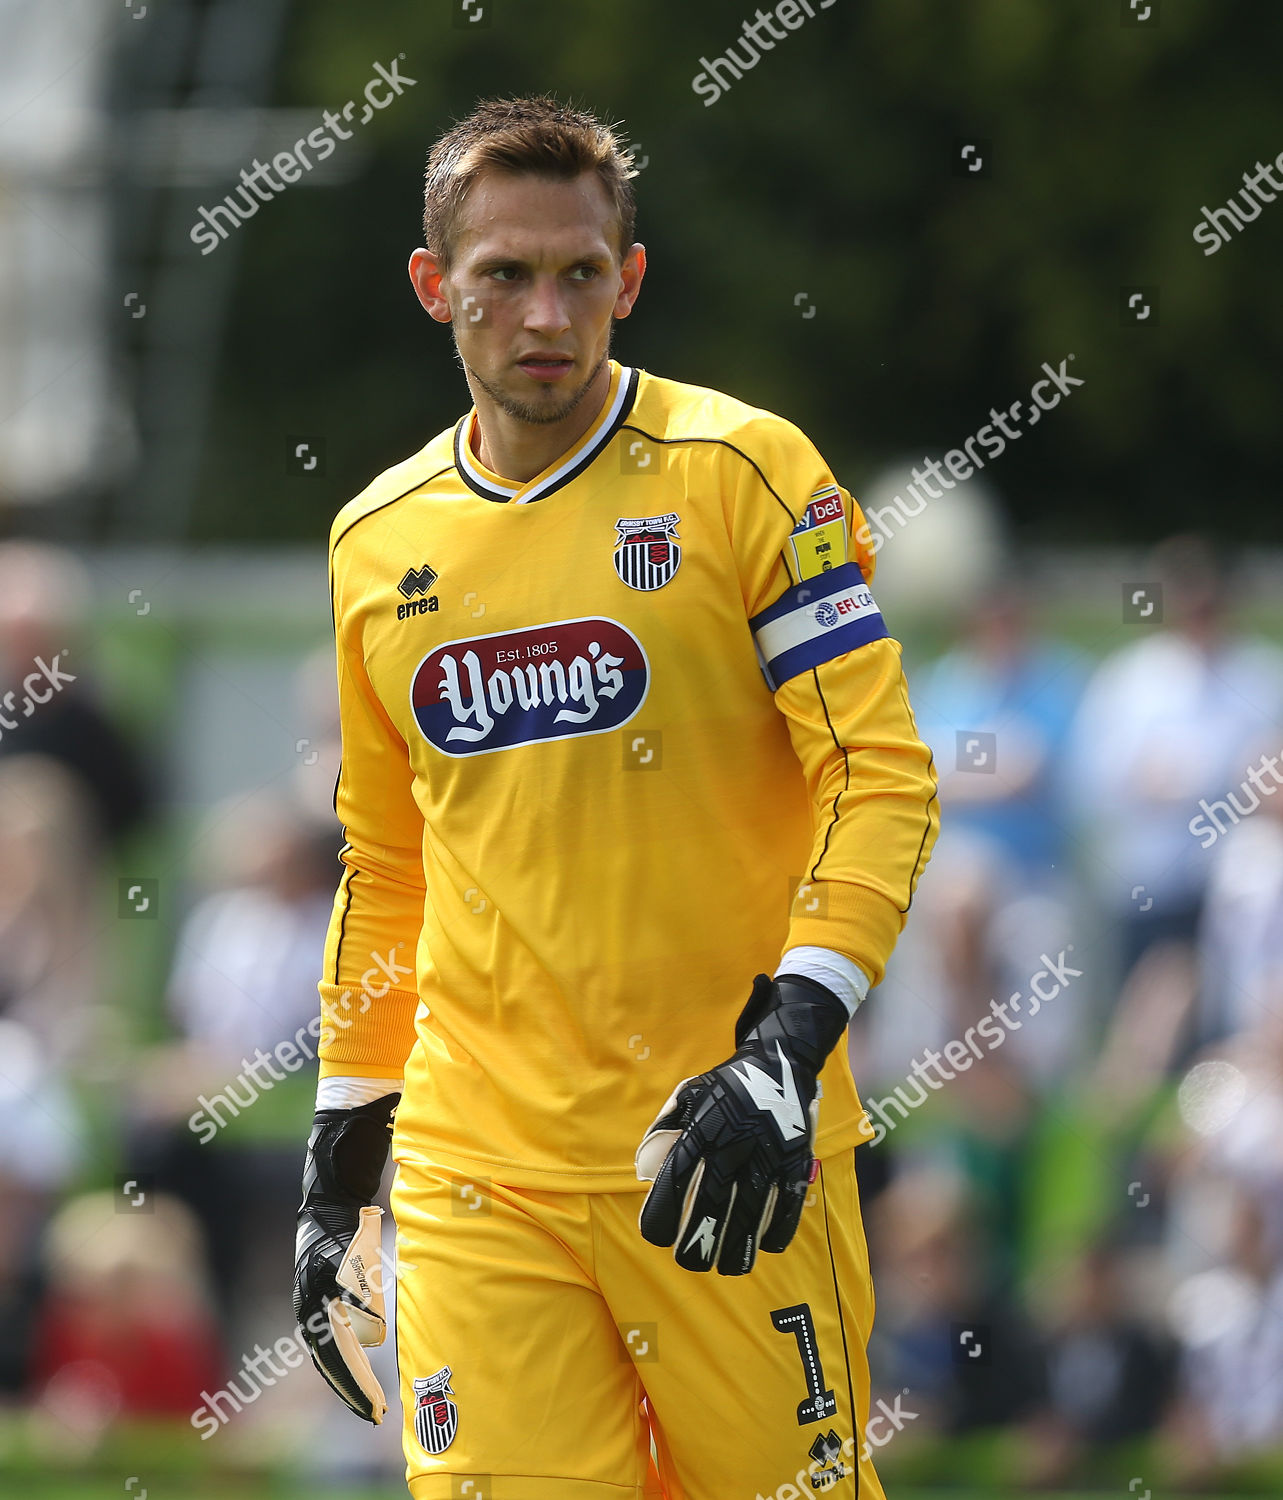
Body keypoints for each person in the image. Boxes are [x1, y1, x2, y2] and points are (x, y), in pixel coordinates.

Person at [292, 94, 939, 1500]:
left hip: (723, 1149)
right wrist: (345, 1147)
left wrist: (790, 1041)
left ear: (629, 282)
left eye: (581, 273)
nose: (545, 314)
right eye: (504, 277)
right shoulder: (373, 541)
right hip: (477, 1171)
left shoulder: (747, 476)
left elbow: (878, 778)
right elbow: (386, 861)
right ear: (432, 289)